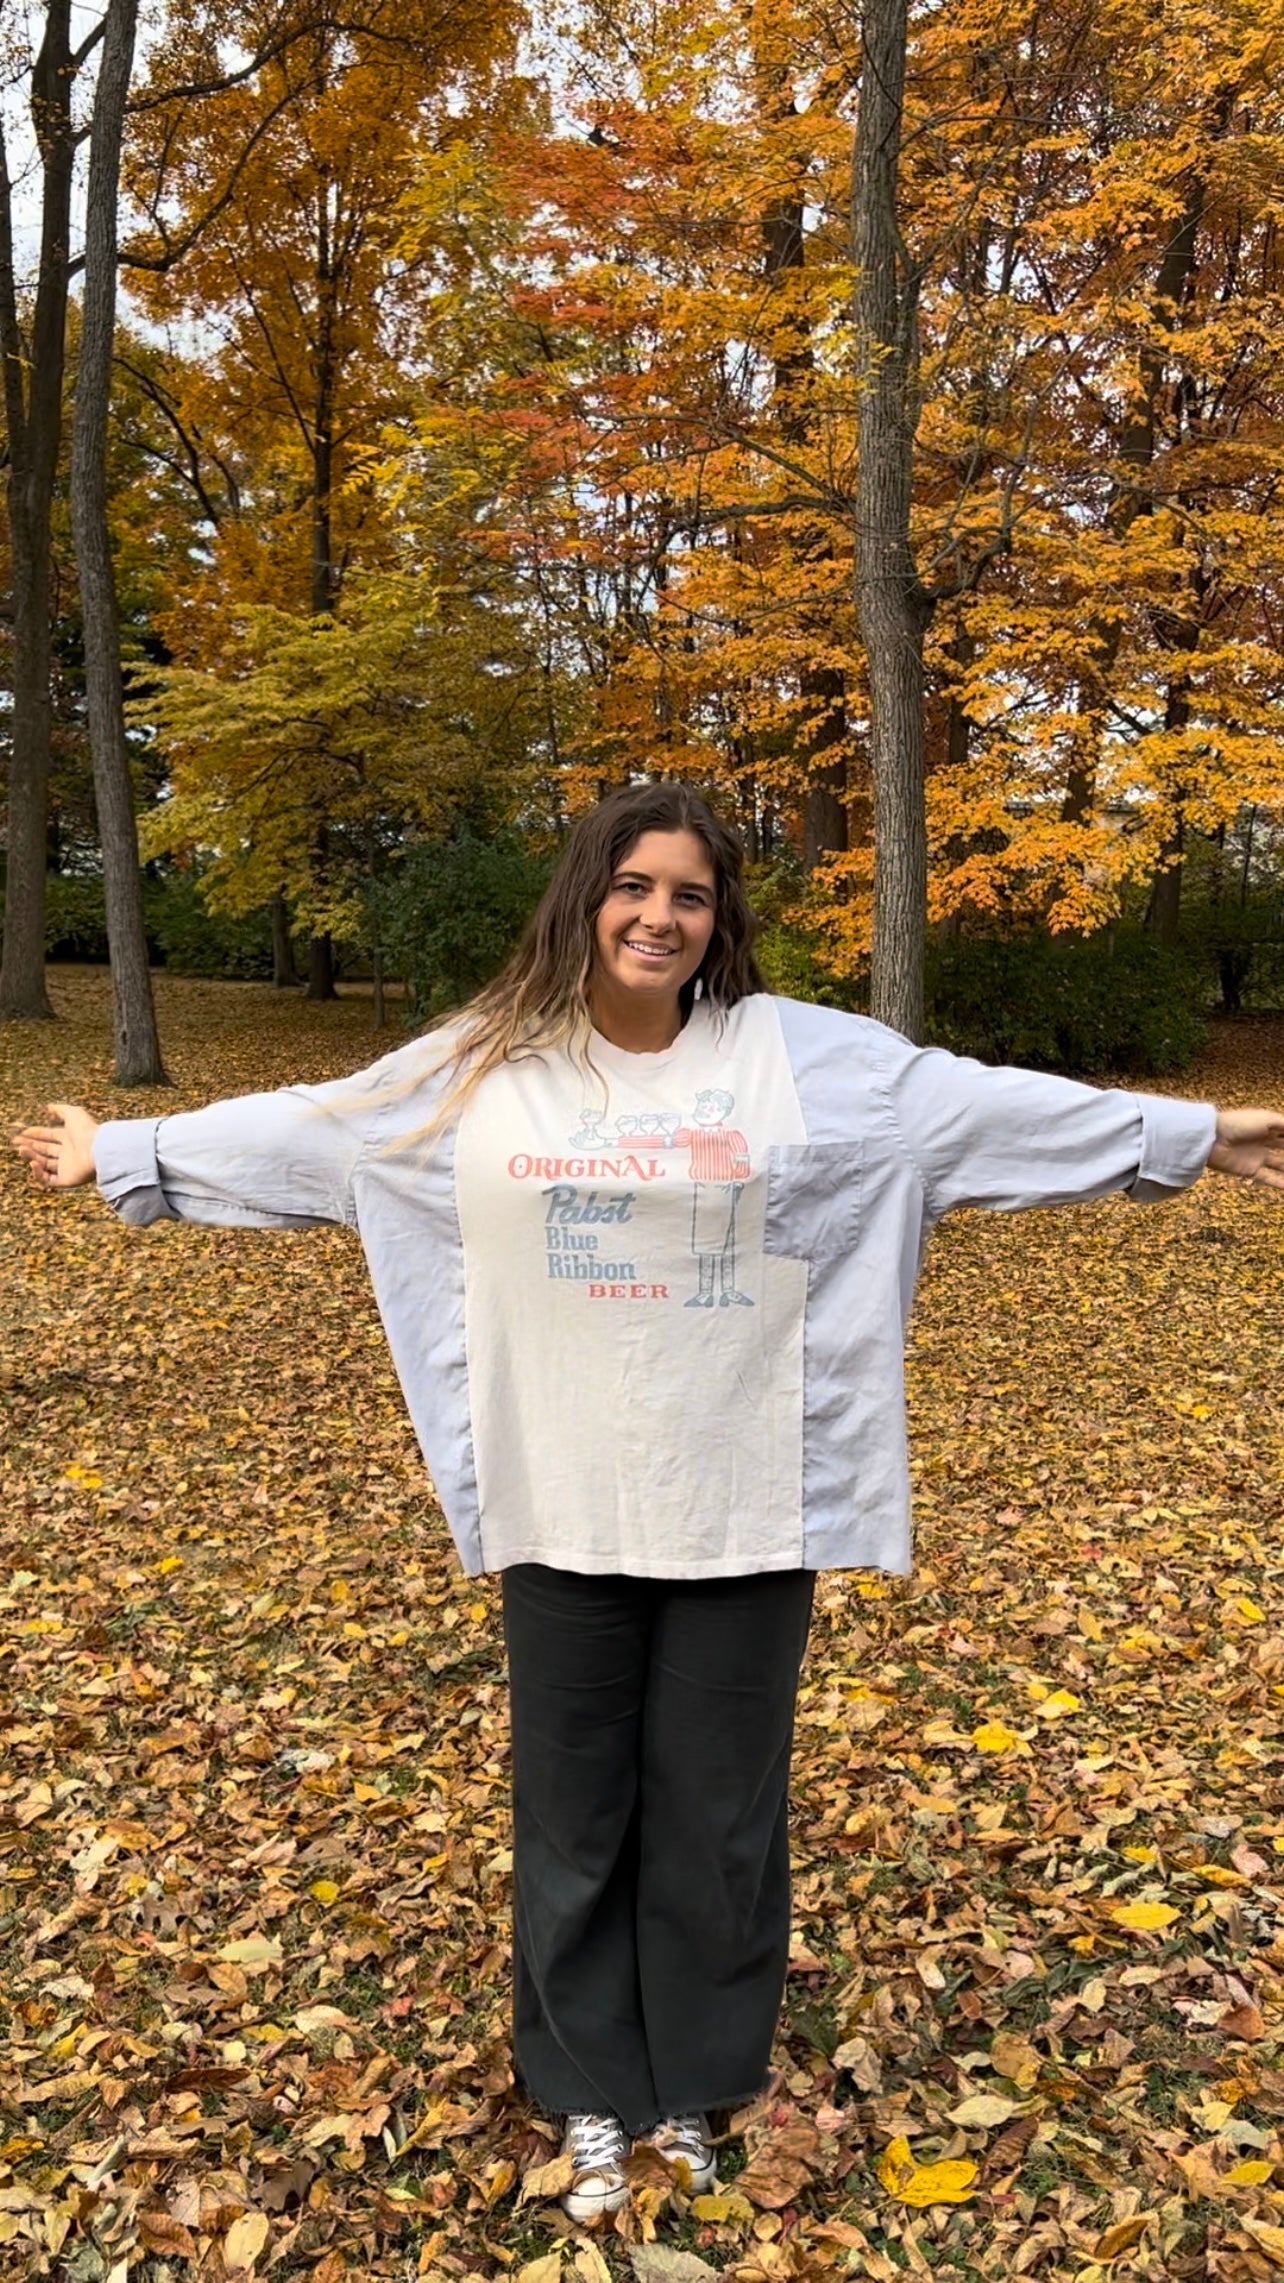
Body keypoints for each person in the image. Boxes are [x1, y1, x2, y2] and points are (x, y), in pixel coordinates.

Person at [14, 783, 1284, 2226]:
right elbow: (321, 1132)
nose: (659, 915)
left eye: (689, 893)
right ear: (585, 899)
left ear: (716, 919)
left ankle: (696, 2079)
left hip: (748, 1502)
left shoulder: (813, 1066)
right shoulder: (486, 1071)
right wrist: (126, 1154)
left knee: (719, 1819)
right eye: (634, 887)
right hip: (567, 1501)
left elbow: (988, 1111)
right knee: (574, 1817)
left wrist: (1194, 1134)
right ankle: (586, 2088)